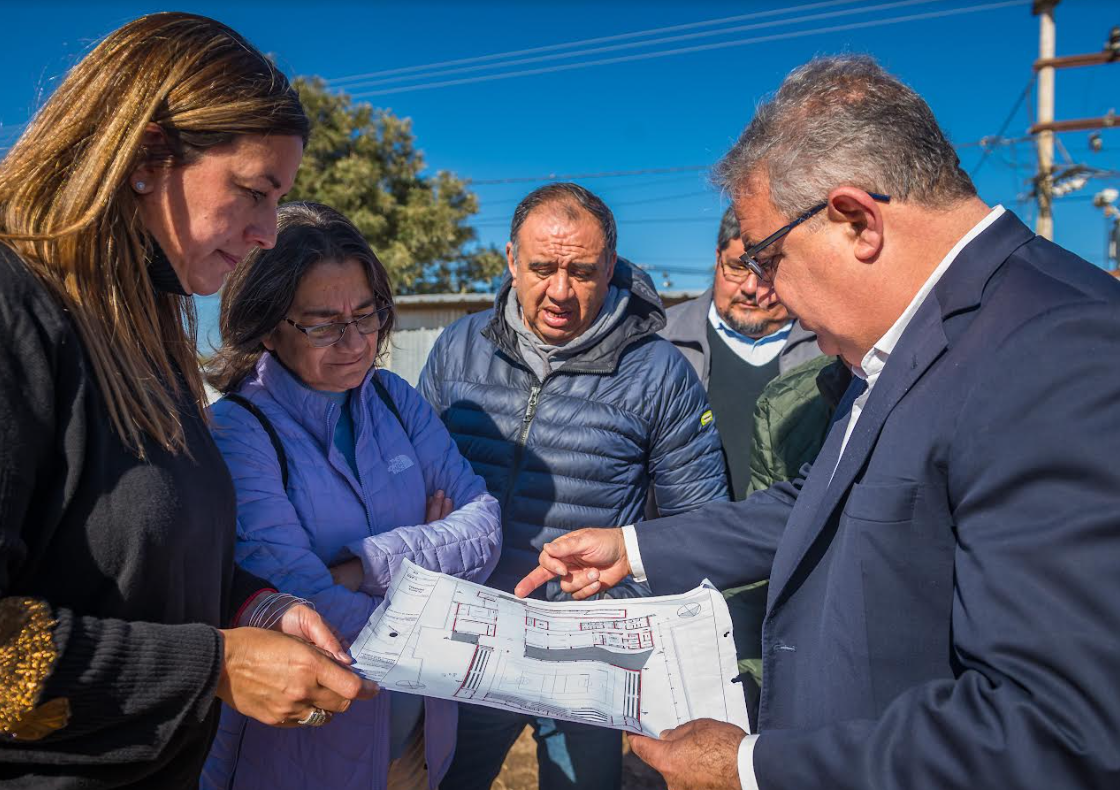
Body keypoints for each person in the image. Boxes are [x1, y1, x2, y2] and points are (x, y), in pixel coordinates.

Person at [516, 55, 1120, 790]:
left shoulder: (1057, 349)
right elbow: (819, 502)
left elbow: (1053, 731)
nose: (767, 292)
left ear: (856, 221)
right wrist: (632, 547)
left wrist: (750, 765)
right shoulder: (910, 341)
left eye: (770, 258)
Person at [0, 14, 375, 789]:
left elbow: (138, 559)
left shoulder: (144, 325)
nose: (268, 233)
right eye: (254, 193)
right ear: (146, 156)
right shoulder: (17, 315)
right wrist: (213, 666)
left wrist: (252, 607)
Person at [419, 182, 728, 790]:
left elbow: (699, 519)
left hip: (587, 644)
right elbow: (413, 470)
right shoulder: (459, 347)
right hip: (473, 629)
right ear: (511, 260)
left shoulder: (659, 371)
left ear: (610, 267)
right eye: (542, 269)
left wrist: (627, 602)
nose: (560, 291)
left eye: (582, 272)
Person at [201, 202, 502, 790]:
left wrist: (361, 566)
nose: (356, 341)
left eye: (366, 315)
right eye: (324, 325)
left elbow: (485, 528)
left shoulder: (395, 399)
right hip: (306, 754)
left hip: (418, 741)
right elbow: (308, 615)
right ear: (267, 326)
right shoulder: (240, 432)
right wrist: (436, 568)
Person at [661, 206, 821, 500]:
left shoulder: (831, 348)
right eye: (737, 267)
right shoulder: (662, 341)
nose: (750, 287)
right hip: (688, 527)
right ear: (717, 258)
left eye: (766, 268)